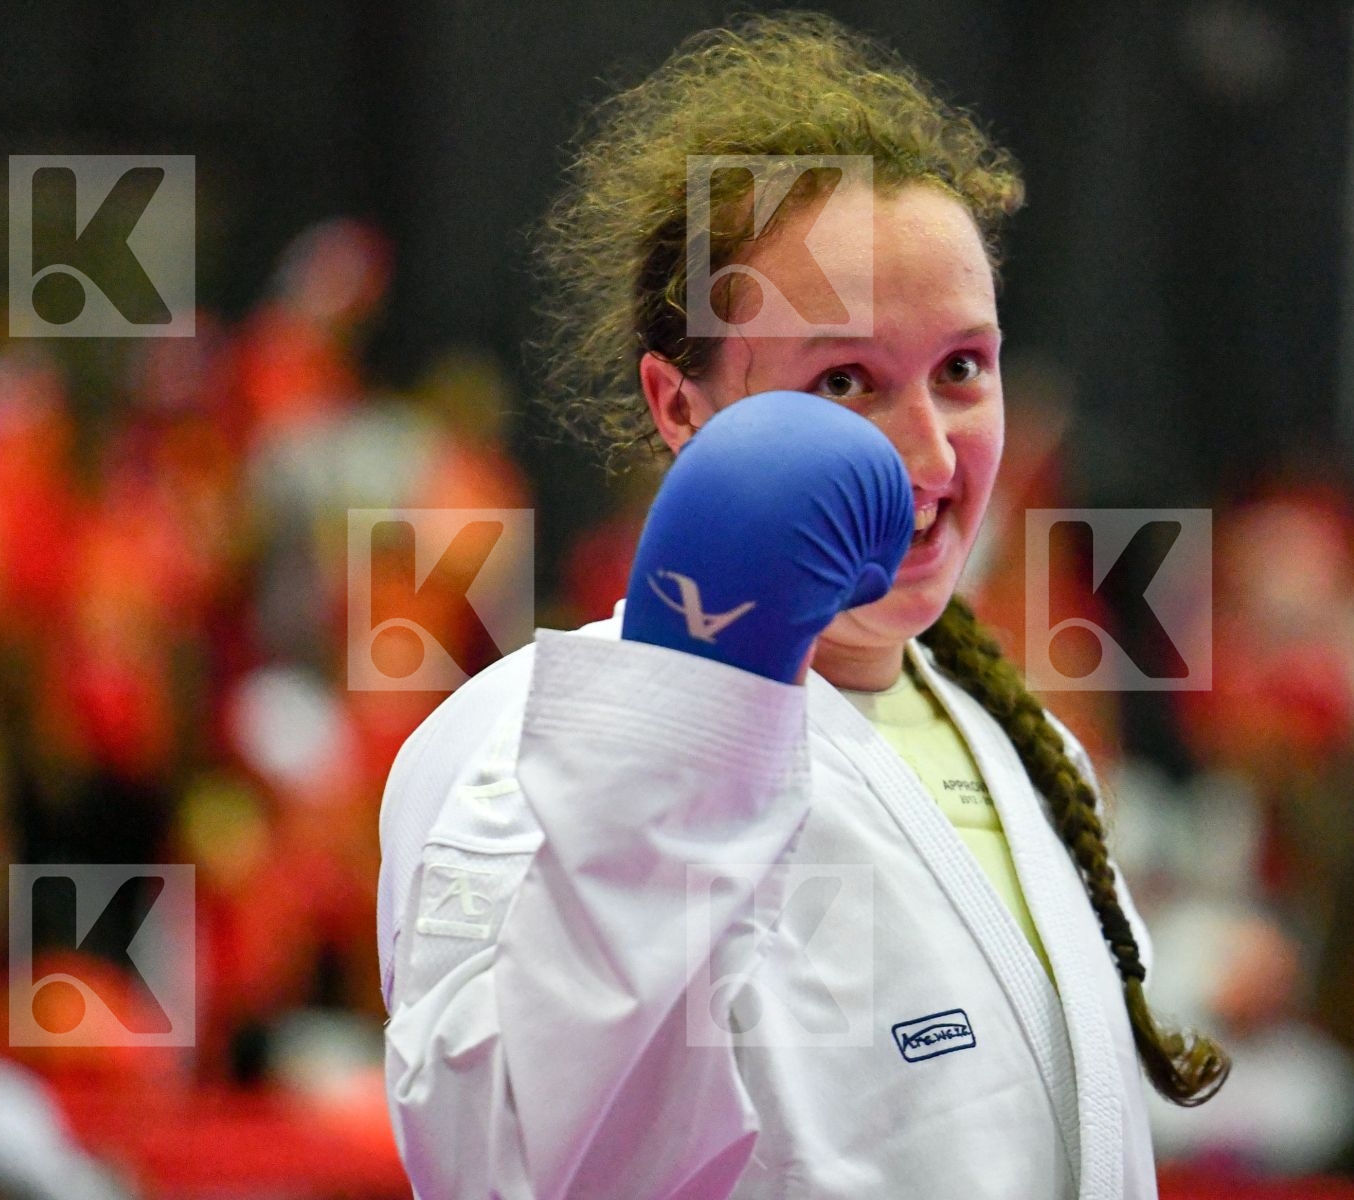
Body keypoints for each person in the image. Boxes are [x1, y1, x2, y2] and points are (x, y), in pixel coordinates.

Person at [376, 13, 1226, 1199]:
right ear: (681, 409)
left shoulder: (1025, 750)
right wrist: (689, 706)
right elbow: (518, 1167)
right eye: (846, 381)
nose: (929, 454)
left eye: (962, 369)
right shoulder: (506, 751)